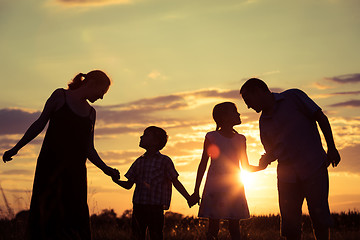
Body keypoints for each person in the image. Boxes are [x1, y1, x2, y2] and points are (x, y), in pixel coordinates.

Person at [2, 70, 120, 240]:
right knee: (46, 213)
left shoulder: (91, 113)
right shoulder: (60, 96)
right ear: (92, 83)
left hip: (76, 172)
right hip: (50, 166)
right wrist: (16, 148)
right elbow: (39, 123)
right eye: (101, 92)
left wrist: (107, 169)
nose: (101, 97)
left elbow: (89, 149)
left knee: (75, 216)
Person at [240, 78, 341, 240]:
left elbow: (320, 117)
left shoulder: (294, 97)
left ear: (258, 91)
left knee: (320, 218)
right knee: (290, 225)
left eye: (248, 100)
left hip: (314, 168)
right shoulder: (263, 122)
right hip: (287, 177)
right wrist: (264, 161)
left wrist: (332, 147)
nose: (248, 106)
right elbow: (272, 152)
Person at [189, 102, 265, 240]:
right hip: (214, 186)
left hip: (234, 186)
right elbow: (203, 164)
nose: (239, 114)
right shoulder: (211, 137)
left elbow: (245, 166)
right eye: (234, 112)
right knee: (213, 225)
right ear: (224, 117)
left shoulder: (240, 139)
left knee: (234, 226)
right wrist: (196, 191)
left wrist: (262, 166)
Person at [112, 126, 191, 240]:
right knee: (137, 236)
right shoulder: (139, 161)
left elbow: (175, 181)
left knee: (156, 235)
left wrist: (188, 197)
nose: (141, 137)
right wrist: (116, 180)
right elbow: (129, 185)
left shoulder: (164, 161)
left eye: (145, 135)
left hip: (156, 208)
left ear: (156, 141)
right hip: (138, 207)